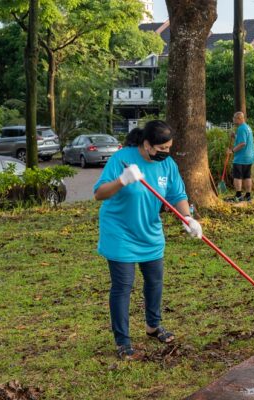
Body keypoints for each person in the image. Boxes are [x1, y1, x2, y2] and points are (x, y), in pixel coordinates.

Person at [93, 120, 203, 360]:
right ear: (146, 145)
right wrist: (122, 180)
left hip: (150, 232)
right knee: (123, 286)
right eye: (161, 148)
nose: (166, 152)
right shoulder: (122, 159)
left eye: (169, 148)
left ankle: (153, 326)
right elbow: (99, 193)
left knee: (154, 281)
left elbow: (178, 195)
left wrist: (187, 218)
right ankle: (123, 341)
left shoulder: (168, 165)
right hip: (120, 232)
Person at [228, 111, 254, 202]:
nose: (233, 120)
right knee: (247, 176)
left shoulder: (241, 128)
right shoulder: (247, 127)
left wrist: (232, 151)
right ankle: (248, 195)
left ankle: (238, 195)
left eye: (234, 118)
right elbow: (242, 139)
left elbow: (243, 143)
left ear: (239, 118)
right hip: (249, 157)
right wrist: (235, 136)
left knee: (237, 176)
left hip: (241, 158)